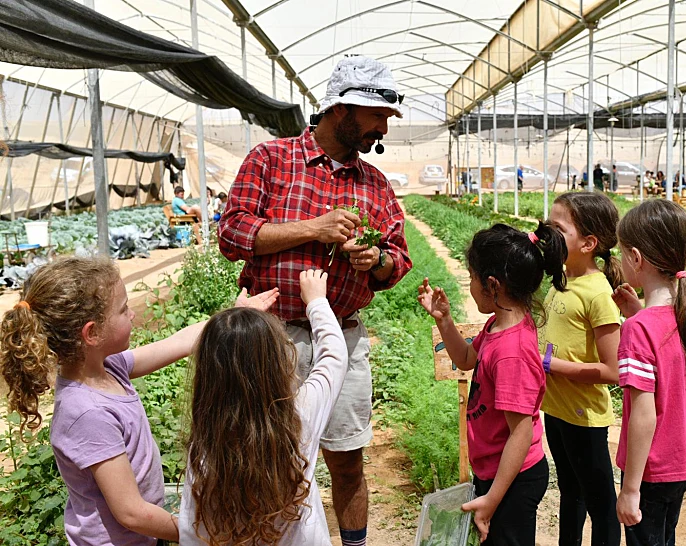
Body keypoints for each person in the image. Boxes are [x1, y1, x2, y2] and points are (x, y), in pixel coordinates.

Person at [218, 55, 412, 546]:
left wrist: (376, 261)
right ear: (342, 110)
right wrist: (316, 228)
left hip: (342, 338)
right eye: (377, 115)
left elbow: (399, 261)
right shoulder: (271, 159)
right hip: (271, 338)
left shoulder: (375, 184)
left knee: (347, 462)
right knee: (264, 455)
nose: (382, 128)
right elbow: (232, 233)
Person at [0, 257, 277, 546]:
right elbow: (130, 512)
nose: (132, 315)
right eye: (123, 310)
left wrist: (233, 315)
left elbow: (178, 343)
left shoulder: (109, 368)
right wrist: (203, 533)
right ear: (92, 333)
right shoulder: (88, 413)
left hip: (145, 536)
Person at [418, 221, 567, 545]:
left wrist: (492, 500)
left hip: (512, 478)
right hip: (498, 471)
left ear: (492, 285)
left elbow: (521, 431)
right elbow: (467, 359)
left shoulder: (511, 352)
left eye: (471, 278)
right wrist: (444, 320)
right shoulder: (499, 324)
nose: (469, 285)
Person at [180, 269, 349, 545]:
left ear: (207, 377)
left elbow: (191, 530)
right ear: (277, 365)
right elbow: (334, 356)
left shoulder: (206, 447)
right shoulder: (299, 416)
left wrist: (233, 322)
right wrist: (316, 301)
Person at [612, 199, 686, 546]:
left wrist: (630, 489)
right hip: (684, 458)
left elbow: (644, 414)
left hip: (652, 468)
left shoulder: (639, 329)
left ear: (635, 258)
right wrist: (638, 312)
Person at [540, 191, 624, 546]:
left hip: (584, 417)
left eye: (558, 228)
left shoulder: (597, 294)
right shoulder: (561, 278)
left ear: (589, 243)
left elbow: (614, 371)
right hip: (555, 409)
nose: (546, 233)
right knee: (569, 492)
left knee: (601, 501)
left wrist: (552, 364)